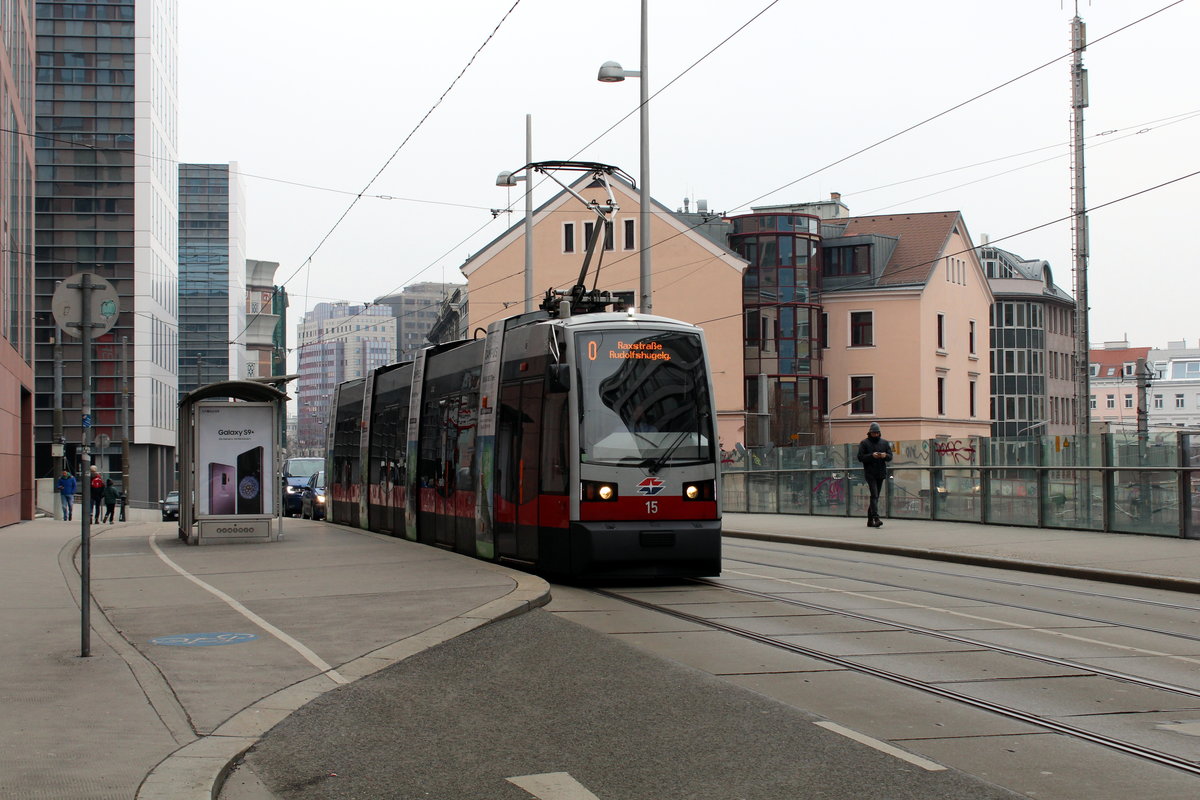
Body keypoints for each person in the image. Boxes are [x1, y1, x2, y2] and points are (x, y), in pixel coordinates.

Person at [857, 422, 892, 528]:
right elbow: (860, 457)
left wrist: (885, 456)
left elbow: (890, 456)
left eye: (877, 433)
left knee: (875, 497)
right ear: (870, 433)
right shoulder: (864, 443)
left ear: (879, 433)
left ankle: (869, 520)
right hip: (870, 473)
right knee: (874, 495)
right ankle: (876, 518)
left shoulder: (884, 443)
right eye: (873, 433)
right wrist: (872, 456)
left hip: (880, 472)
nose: (875, 434)